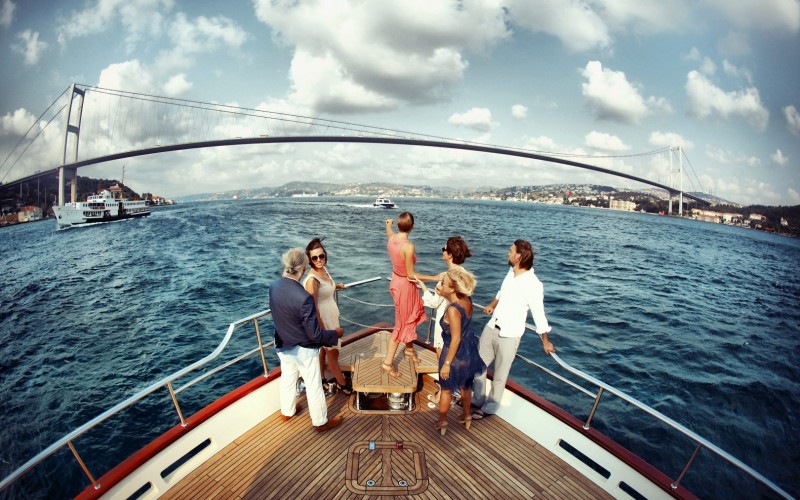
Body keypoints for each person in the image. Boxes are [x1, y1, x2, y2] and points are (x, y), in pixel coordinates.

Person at [471, 239, 556, 420]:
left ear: (518, 257)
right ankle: (476, 400)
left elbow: (539, 315)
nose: (508, 253)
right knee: (477, 365)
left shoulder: (534, 284)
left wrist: (545, 341)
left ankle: (489, 408)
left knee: (500, 376)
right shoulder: (511, 272)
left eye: (510, 251)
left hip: (510, 335)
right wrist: (492, 304)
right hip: (492, 326)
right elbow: (502, 292)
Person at [269, 248, 344, 432]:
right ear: (303, 268)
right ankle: (320, 422)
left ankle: (287, 411)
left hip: (282, 343)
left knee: (288, 379)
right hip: (303, 349)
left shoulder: (274, 286)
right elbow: (315, 335)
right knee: (313, 385)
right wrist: (335, 334)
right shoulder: (304, 298)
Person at [416, 266, 484, 435]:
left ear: (453, 288)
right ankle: (466, 416)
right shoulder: (467, 300)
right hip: (469, 350)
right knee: (466, 387)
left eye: (443, 283)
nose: (440, 285)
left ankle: (442, 421)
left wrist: (447, 363)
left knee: (446, 389)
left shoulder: (453, 310)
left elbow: (455, 339)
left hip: (453, 354)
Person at [381, 212, 437, 377]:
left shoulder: (392, 239)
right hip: (405, 286)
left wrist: (388, 223)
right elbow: (411, 275)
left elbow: (389, 231)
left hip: (396, 282)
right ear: (412, 227)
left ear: (399, 225)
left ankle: (409, 350)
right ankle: (387, 363)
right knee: (401, 324)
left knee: (409, 317)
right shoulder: (408, 246)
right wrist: (435, 277)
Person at [420, 236, 472, 404]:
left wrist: (423, 289)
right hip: (461, 325)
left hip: (445, 325)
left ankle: (444, 395)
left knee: (443, 362)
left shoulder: (447, 278)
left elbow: (434, 303)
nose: (442, 251)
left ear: (449, 255)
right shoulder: (463, 274)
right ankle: (454, 394)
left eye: (444, 249)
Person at [303, 237, 351, 396]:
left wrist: (336, 286)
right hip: (324, 321)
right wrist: (323, 332)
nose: (319, 260)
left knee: (324, 351)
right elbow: (313, 308)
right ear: (309, 259)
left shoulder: (323, 270)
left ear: (325, 255)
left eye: (321, 256)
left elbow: (324, 288)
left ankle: (321, 378)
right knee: (333, 355)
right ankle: (342, 384)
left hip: (331, 317)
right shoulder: (312, 280)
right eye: (314, 258)